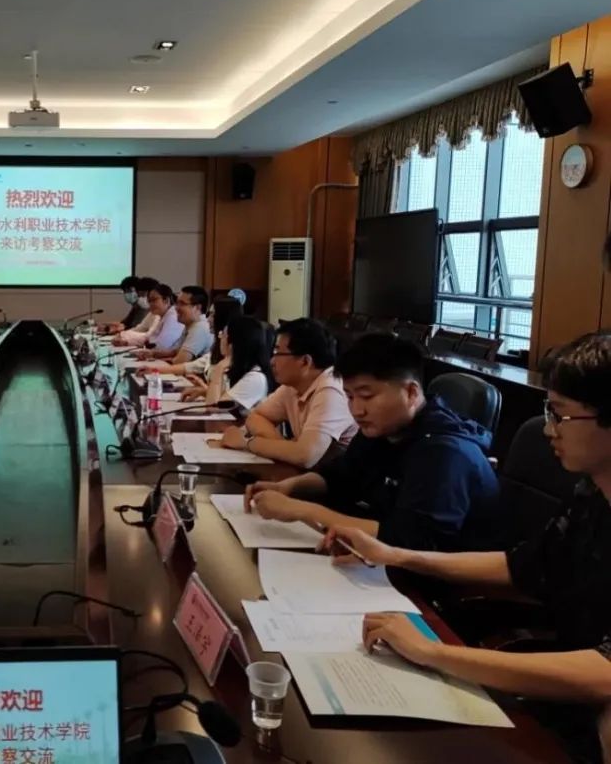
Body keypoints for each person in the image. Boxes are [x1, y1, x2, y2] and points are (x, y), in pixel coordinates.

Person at [323, 332, 611, 763]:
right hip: (566, 686)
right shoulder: (591, 494)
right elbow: (521, 566)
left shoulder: (444, 449)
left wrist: (435, 653)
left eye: (561, 413)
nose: (548, 428)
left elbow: (605, 672)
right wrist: (395, 554)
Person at [246, 333, 503, 552]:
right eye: (349, 397)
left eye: (367, 396)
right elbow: (340, 476)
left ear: (411, 392)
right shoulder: (383, 428)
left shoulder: (445, 453)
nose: (357, 410)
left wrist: (302, 511)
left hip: (439, 584)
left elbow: (411, 541)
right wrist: (289, 487)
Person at [213, 317, 357, 468]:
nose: (272, 361)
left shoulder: (331, 390)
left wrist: (247, 443)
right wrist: (284, 448)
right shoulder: (292, 386)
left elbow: (305, 456)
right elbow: (256, 417)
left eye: (277, 353)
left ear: (305, 361)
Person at [181, 316, 272, 410]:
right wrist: (204, 392)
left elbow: (213, 408)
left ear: (233, 343)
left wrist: (219, 369)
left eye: (223, 334)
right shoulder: (239, 368)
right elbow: (226, 398)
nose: (220, 337)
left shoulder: (255, 378)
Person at [158, 297, 242, 378]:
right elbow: (191, 366)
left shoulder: (200, 327)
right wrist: (154, 369)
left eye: (212, 315)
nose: (208, 319)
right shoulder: (216, 348)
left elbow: (180, 361)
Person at [137, 285, 213, 365]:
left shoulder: (199, 328)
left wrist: (153, 361)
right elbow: (175, 352)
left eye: (182, 304)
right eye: (177, 303)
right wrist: (153, 354)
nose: (176, 308)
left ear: (197, 308)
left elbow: (180, 361)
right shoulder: (191, 324)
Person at [113, 283, 181, 350]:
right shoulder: (161, 315)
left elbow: (161, 345)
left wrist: (125, 339)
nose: (150, 304)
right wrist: (124, 338)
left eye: (154, 300)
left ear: (166, 300)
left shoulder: (173, 316)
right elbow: (149, 336)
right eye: (149, 301)